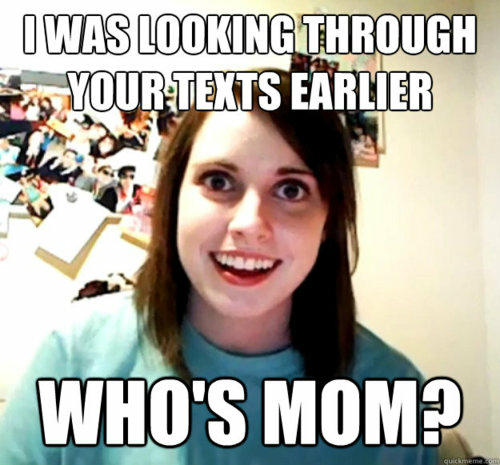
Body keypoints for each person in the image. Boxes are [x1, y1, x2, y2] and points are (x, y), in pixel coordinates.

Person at [0, 69, 437, 465]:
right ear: (174, 200)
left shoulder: (394, 396)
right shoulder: (76, 356)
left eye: (291, 189)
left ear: (328, 221)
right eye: (219, 181)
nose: (250, 224)